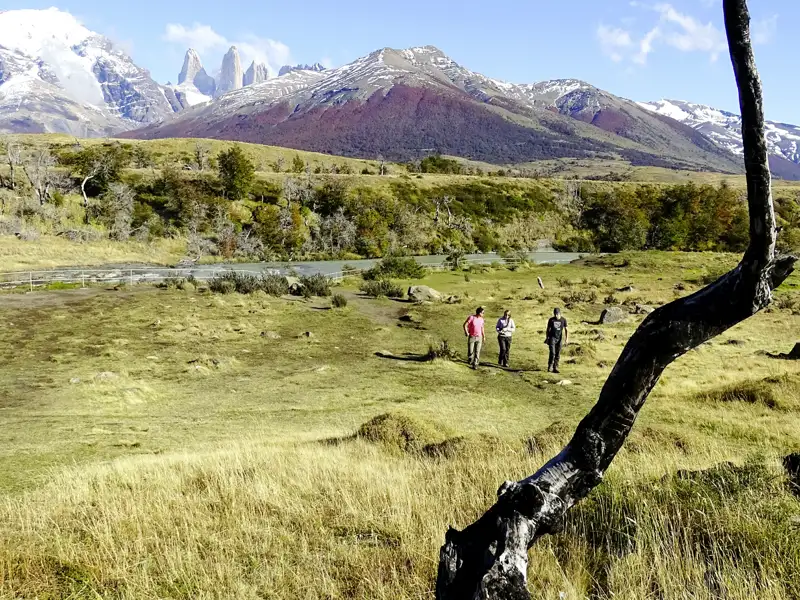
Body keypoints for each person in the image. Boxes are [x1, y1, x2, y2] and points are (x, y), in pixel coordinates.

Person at [545, 308, 568, 373]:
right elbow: (548, 329)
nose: (556, 315)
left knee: (558, 353)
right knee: (552, 352)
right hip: (552, 338)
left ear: (560, 313)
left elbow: (566, 329)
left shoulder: (563, 320)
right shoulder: (551, 320)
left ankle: (556, 367)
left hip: (560, 338)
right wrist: (547, 338)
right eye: (555, 314)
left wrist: (566, 339)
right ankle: (550, 366)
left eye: (557, 314)